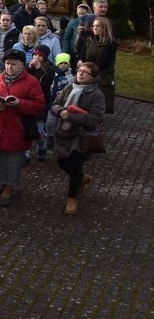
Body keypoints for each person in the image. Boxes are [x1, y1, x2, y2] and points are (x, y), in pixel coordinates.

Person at [0, 49, 45, 207]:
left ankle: (8, 188)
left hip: (16, 128)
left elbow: (39, 105)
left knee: (13, 161)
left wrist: (19, 104)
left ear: (22, 65)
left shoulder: (31, 82)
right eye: (7, 63)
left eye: (13, 64)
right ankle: (2, 183)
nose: (9, 67)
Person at [50, 62, 106, 215]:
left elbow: (96, 119)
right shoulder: (70, 87)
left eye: (85, 72)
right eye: (79, 71)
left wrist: (72, 116)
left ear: (93, 76)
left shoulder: (97, 94)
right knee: (62, 163)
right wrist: (61, 111)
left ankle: (72, 198)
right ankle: (82, 178)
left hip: (80, 136)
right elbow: (55, 104)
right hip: (63, 132)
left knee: (75, 166)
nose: (80, 74)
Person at [84, 16, 118, 114]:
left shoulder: (111, 43)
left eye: (98, 26)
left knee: (101, 102)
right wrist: (82, 64)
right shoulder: (89, 40)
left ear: (104, 27)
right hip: (88, 74)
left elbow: (103, 62)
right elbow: (82, 57)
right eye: (94, 25)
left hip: (103, 77)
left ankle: (98, 120)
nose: (94, 28)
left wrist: (86, 67)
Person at [28, 45, 55, 161]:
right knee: (27, 129)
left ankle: (42, 148)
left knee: (39, 130)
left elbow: (43, 83)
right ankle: (26, 155)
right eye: (35, 55)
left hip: (41, 103)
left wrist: (39, 69)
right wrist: (29, 68)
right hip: (28, 102)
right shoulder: (29, 67)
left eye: (39, 55)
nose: (36, 57)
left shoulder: (49, 69)